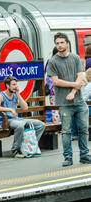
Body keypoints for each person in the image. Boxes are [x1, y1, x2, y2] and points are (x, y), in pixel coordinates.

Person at [47, 32, 91, 166]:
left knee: (83, 128)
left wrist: (73, 92)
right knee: (66, 131)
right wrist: (74, 85)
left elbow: (80, 77)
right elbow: (55, 81)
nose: (59, 45)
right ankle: (68, 157)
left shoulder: (75, 58)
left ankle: (84, 155)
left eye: (62, 42)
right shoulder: (53, 61)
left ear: (67, 43)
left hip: (79, 101)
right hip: (64, 102)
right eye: (57, 43)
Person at [0, 76, 45, 158]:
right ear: (7, 85)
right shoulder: (1, 95)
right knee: (20, 126)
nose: (16, 86)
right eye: (13, 85)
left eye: (16, 84)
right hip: (6, 120)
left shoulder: (15, 95)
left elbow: (25, 108)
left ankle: (30, 145)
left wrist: (18, 94)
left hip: (17, 119)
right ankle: (15, 150)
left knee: (41, 125)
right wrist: (9, 109)